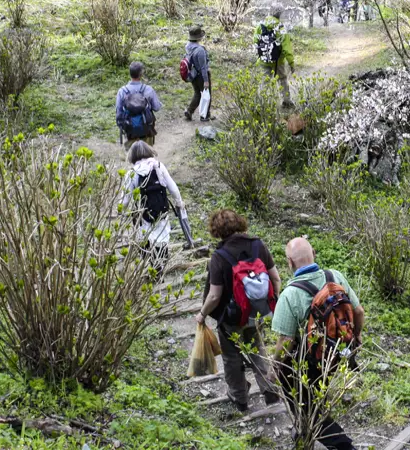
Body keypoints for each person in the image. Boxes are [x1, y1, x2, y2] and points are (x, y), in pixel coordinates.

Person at [269, 237, 364, 450]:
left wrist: (274, 366)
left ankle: (343, 445)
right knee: (317, 393)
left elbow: (286, 340)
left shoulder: (290, 294)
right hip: (336, 352)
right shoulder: (335, 277)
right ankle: (306, 434)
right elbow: (358, 311)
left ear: (290, 263)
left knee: (304, 404)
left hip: (308, 359)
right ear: (313, 252)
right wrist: (356, 337)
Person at [196, 209, 282, 412]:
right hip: (257, 311)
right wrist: (271, 303)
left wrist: (202, 314)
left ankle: (239, 397)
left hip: (232, 317)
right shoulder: (257, 245)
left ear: (217, 231)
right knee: (257, 348)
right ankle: (270, 391)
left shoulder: (219, 256)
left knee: (232, 355)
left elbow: (215, 295)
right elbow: (276, 278)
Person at [121, 141, 184, 276]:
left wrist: (121, 212)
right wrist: (179, 202)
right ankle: (160, 265)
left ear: (132, 156)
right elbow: (172, 187)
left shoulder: (132, 173)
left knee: (144, 238)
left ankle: (150, 265)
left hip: (142, 214)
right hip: (161, 210)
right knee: (162, 237)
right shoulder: (158, 166)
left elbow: (125, 200)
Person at [253, 8, 295, 108]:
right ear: (279, 14)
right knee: (282, 79)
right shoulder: (281, 28)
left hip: (264, 60)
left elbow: (255, 41)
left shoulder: (260, 25)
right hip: (278, 61)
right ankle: (286, 101)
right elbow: (286, 48)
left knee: (264, 81)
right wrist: (291, 63)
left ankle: (261, 103)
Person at [115, 61, 162, 150]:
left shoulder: (122, 91)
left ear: (130, 74)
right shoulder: (148, 90)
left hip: (130, 133)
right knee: (147, 156)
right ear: (141, 74)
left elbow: (118, 113)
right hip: (146, 131)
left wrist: (122, 126)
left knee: (131, 158)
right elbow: (156, 107)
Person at [183, 26, 212, 122]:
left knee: (197, 93)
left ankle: (189, 111)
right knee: (207, 94)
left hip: (192, 74)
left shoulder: (188, 46)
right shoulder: (200, 51)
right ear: (199, 37)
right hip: (201, 76)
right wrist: (206, 81)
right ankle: (205, 115)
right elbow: (203, 67)